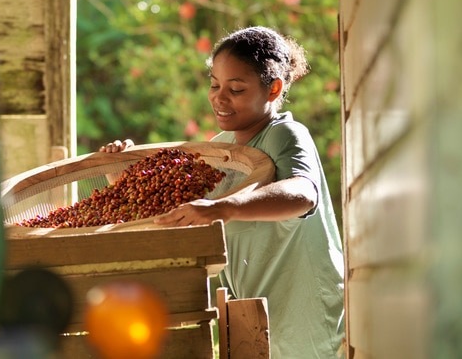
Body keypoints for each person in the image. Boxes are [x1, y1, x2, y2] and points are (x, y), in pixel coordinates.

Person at [100, 26, 344, 358]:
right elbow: (177, 211)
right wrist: (121, 178)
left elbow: (303, 194)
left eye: (236, 88)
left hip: (306, 321)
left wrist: (223, 208)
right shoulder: (220, 149)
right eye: (214, 85)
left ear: (273, 89)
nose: (219, 97)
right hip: (252, 322)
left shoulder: (285, 134)